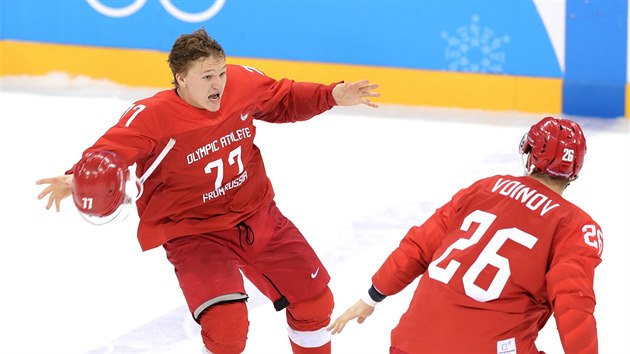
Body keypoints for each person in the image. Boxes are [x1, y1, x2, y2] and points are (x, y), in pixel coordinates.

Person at [36, 28, 379, 354]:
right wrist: (77, 177)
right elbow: (110, 152)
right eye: (207, 77)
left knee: (315, 303)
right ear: (181, 79)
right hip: (193, 231)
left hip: (256, 213)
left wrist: (330, 95)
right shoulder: (152, 116)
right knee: (226, 328)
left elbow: (283, 98)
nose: (218, 84)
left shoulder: (242, 84)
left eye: (221, 73)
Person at [328, 116, 603, 354]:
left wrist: (372, 297)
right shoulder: (577, 226)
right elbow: (573, 304)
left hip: (411, 342)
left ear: (531, 155)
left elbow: (419, 245)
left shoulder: (485, 188)